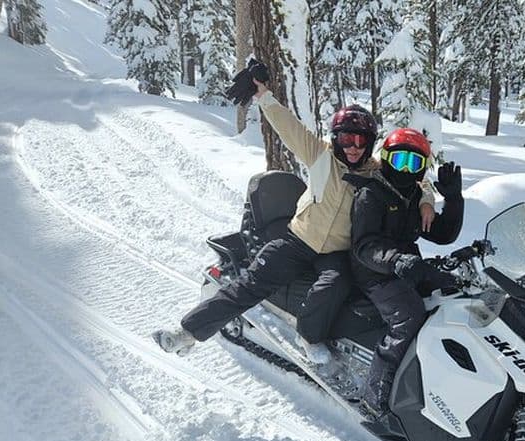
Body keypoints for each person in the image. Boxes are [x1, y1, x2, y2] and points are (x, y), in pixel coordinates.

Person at [152, 60, 437, 363]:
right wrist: (263, 95)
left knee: (334, 286)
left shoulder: (376, 171)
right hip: (298, 240)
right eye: (345, 138)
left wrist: (426, 201)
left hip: (339, 252)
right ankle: (187, 333)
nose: (353, 147)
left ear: (369, 144)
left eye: (360, 141)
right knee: (251, 283)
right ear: (335, 138)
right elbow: (288, 126)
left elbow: (414, 179)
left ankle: (308, 337)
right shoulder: (321, 156)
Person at [344, 128, 464, 418]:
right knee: (409, 316)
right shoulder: (371, 194)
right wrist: (396, 260)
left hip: (405, 266)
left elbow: (444, 234)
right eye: (400, 161)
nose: (406, 170)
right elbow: (364, 245)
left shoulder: (413, 196)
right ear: (386, 160)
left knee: (452, 299)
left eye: (414, 163)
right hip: (374, 271)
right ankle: (375, 395)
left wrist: (454, 199)